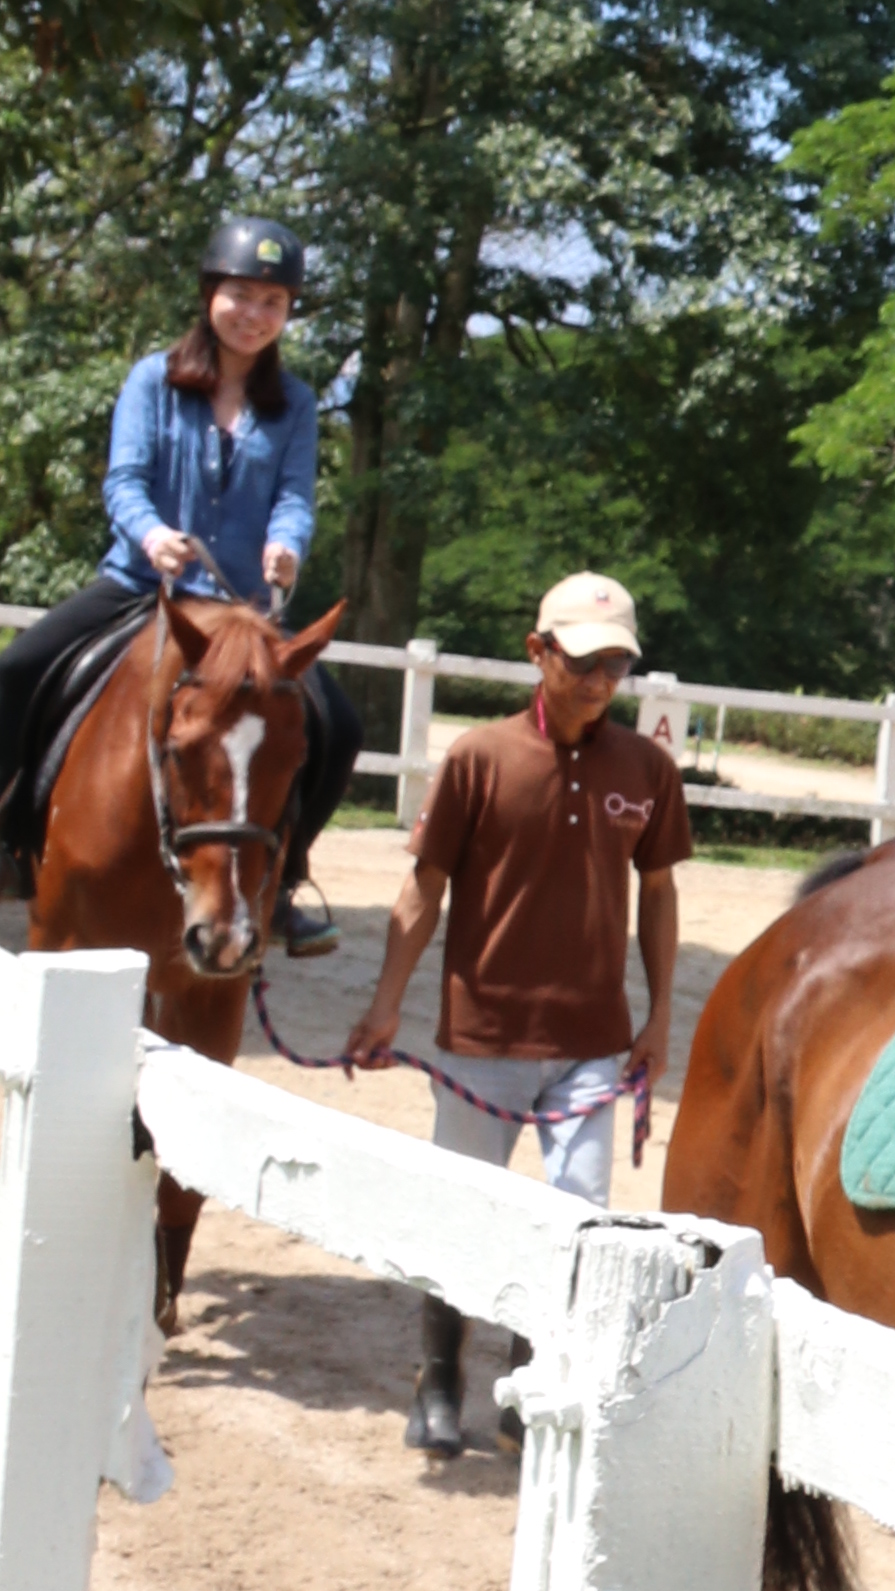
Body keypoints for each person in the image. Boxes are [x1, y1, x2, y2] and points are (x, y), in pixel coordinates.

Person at [345, 569, 689, 1454]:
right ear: (538, 653)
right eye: (582, 661)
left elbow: (657, 893)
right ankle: (441, 1374)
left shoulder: (646, 769)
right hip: (482, 1035)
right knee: (462, 1217)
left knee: (575, 1220)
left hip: (592, 1043)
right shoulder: (477, 759)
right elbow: (424, 890)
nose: (599, 679)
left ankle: (523, 1383)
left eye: (615, 662)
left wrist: (656, 1018)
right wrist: (386, 1007)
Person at [0, 215, 364, 955]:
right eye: (242, 295)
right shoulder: (152, 380)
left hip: (240, 610)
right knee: (14, 672)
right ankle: (12, 839)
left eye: (274, 301)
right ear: (210, 295)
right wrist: (151, 533)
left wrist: (285, 545)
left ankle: (285, 879)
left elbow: (294, 494)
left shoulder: (293, 402)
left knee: (341, 725)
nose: (256, 314)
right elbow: (124, 478)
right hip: (140, 584)